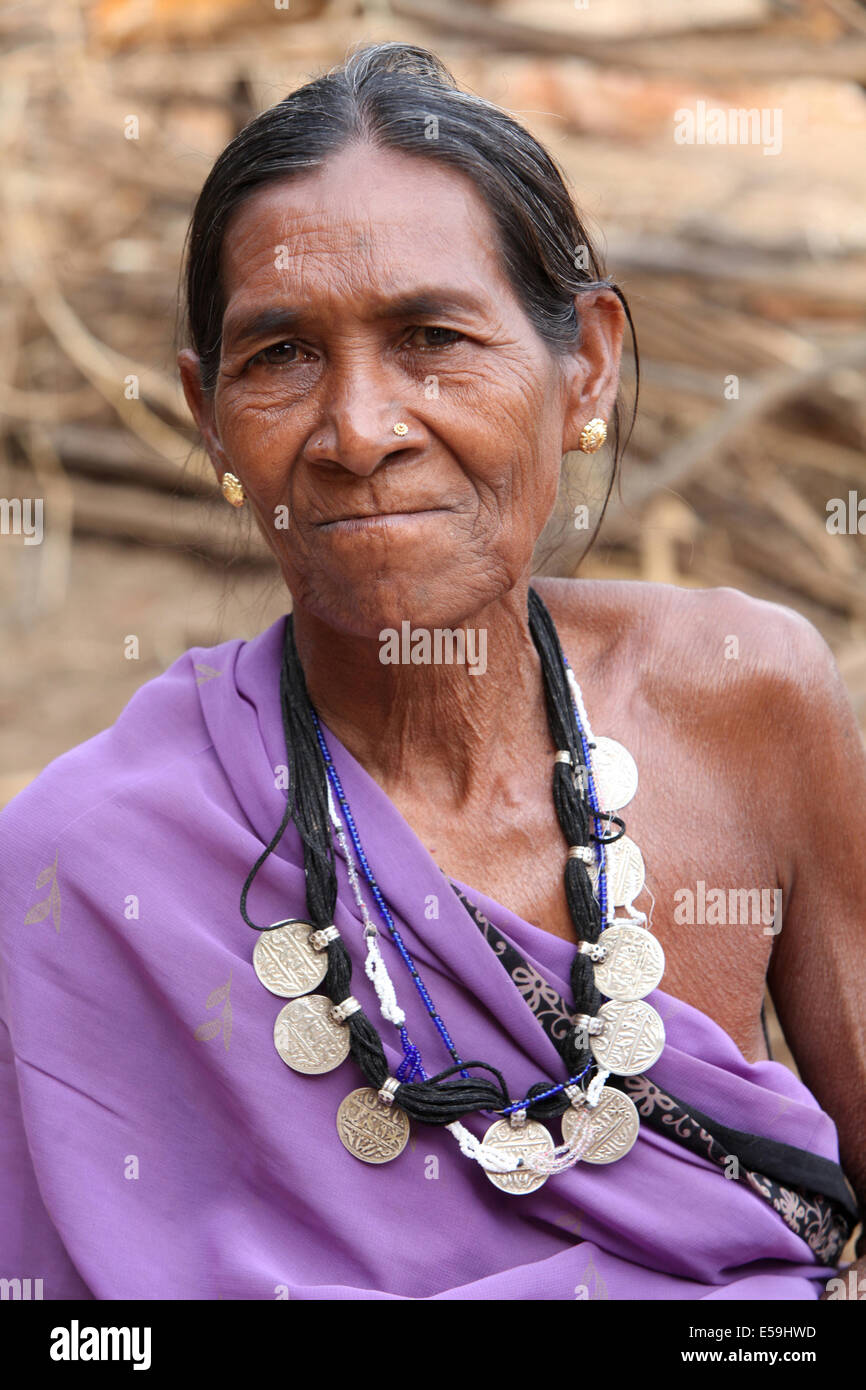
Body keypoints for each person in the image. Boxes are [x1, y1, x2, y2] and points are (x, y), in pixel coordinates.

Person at [1, 42, 863, 1301]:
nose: (358, 430)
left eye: (430, 336)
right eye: (281, 355)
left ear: (588, 365)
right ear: (207, 413)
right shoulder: (80, 862)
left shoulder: (746, 704)